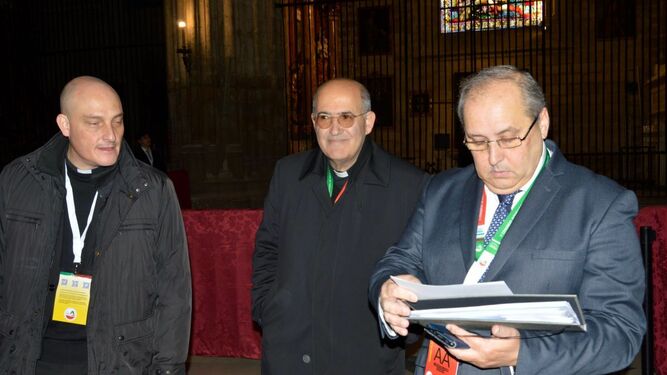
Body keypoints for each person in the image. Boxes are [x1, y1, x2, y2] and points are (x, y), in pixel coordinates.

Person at [369, 65, 646, 375]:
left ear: (542, 122)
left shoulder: (600, 204)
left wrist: (521, 354)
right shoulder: (441, 191)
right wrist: (386, 292)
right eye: (477, 142)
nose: (493, 157)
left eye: (509, 138)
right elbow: (398, 261)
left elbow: (620, 333)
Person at [0, 76, 191, 373]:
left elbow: (174, 293)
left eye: (117, 121)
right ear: (65, 125)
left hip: (119, 362)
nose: (111, 135)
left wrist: (168, 369)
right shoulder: (17, 182)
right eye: (94, 123)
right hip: (29, 360)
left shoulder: (152, 191)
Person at [252, 78, 430, 374]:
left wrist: (403, 326)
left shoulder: (409, 185)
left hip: (364, 355)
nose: (335, 129)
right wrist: (267, 307)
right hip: (289, 350)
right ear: (313, 122)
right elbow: (268, 248)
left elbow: (421, 270)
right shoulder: (288, 174)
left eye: (346, 117)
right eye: (324, 117)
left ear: (368, 122)